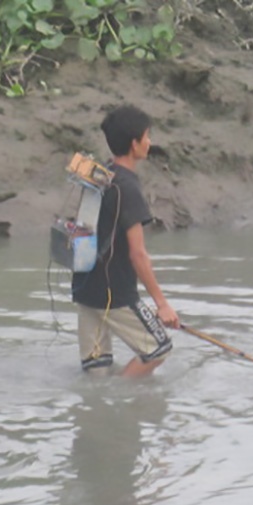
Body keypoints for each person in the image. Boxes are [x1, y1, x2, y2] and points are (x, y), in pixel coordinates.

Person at [71, 104, 180, 378]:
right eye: (147, 136)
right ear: (135, 144)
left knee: (96, 370)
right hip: (114, 294)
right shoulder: (128, 188)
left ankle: (101, 413)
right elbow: (138, 255)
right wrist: (162, 304)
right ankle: (119, 396)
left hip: (85, 287)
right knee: (159, 349)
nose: (149, 142)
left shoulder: (99, 174)